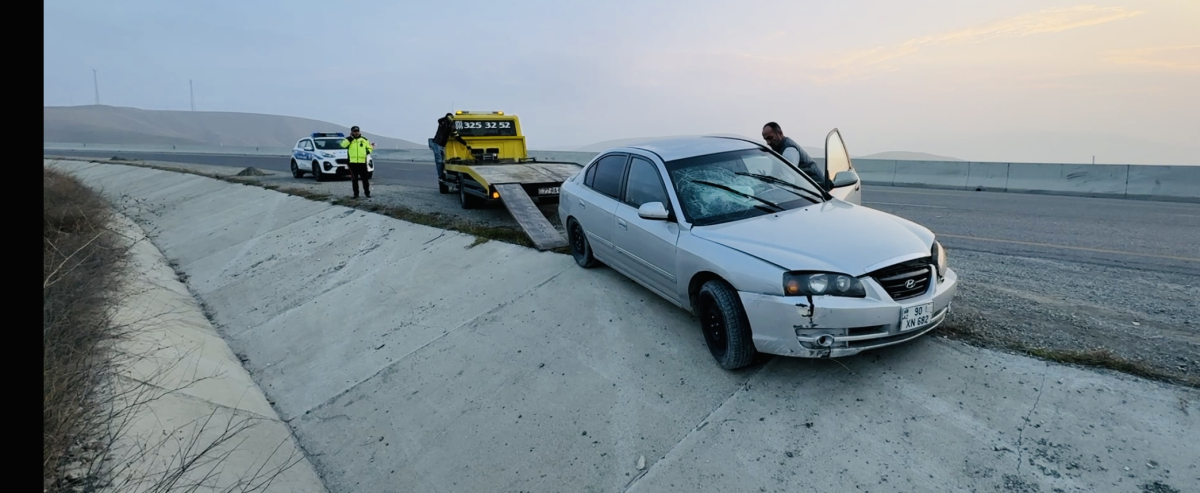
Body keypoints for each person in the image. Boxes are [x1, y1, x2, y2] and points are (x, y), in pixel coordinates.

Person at [762, 122, 825, 189]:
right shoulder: (779, 149)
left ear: (780, 134)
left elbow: (788, 181)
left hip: (818, 190)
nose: (768, 142)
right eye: (766, 139)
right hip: (807, 188)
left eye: (770, 138)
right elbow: (776, 173)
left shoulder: (789, 151)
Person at [339, 126, 373, 198]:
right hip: (352, 163)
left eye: (357, 131)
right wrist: (350, 139)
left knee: (365, 179)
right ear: (351, 132)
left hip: (362, 162)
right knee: (354, 179)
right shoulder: (348, 139)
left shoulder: (364, 139)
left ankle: (367, 193)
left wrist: (367, 152)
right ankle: (356, 194)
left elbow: (370, 147)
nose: (356, 132)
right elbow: (342, 145)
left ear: (359, 131)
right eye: (354, 131)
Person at [429, 113, 454, 180]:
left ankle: (443, 174)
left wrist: (465, 143)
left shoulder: (452, 126)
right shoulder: (443, 123)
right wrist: (445, 118)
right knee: (439, 161)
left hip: (443, 145)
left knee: (444, 161)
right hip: (437, 144)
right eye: (449, 117)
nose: (450, 118)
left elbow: (456, 135)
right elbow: (439, 120)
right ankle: (440, 176)